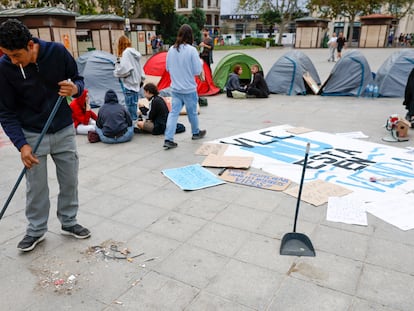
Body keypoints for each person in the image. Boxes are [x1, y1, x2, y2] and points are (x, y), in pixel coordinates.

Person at [0, 19, 91, 252]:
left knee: (69, 180)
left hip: (63, 129)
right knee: (36, 186)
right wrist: (21, 145)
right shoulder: (5, 68)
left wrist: (75, 89)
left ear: (31, 45)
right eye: (8, 55)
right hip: (31, 134)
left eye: (17, 55)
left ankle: (69, 222)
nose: (13, 61)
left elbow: (78, 79)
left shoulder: (57, 52)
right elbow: (6, 112)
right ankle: (36, 230)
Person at [163, 24, 206, 149]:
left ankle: (168, 138)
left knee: (173, 113)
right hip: (189, 88)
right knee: (192, 112)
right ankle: (195, 132)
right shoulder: (192, 50)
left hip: (175, 88)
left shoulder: (171, 49)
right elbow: (197, 71)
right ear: (190, 36)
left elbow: (167, 68)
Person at [113, 35, 145, 126]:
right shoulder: (134, 53)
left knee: (130, 106)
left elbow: (125, 69)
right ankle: (135, 124)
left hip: (129, 84)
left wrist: (116, 72)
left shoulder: (126, 53)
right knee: (133, 105)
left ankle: (133, 126)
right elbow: (139, 69)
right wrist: (141, 80)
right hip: (136, 84)